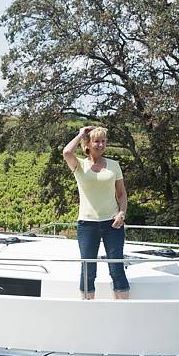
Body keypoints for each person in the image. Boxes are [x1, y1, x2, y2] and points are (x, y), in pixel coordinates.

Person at [62, 126, 129, 299]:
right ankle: (87, 310)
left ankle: (124, 310)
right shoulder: (80, 165)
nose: (100, 144)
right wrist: (80, 134)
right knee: (88, 269)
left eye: (103, 141)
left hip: (112, 224)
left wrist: (121, 213)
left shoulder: (114, 166)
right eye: (96, 141)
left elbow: (121, 194)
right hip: (87, 224)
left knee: (117, 268)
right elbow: (67, 152)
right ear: (89, 143)